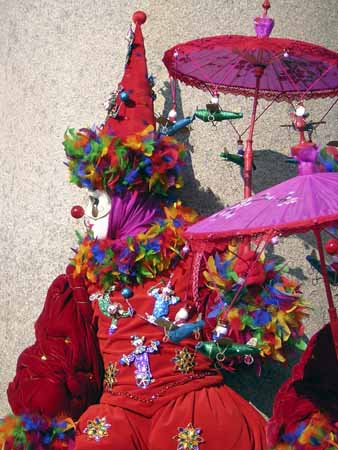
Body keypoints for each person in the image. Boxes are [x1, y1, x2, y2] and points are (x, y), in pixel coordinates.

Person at [4, 11, 305, 450]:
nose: (86, 215)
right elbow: (57, 355)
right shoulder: (84, 279)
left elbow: (248, 339)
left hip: (191, 404)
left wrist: (246, 287)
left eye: (97, 201)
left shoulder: (195, 257)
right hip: (117, 413)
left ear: (131, 200)